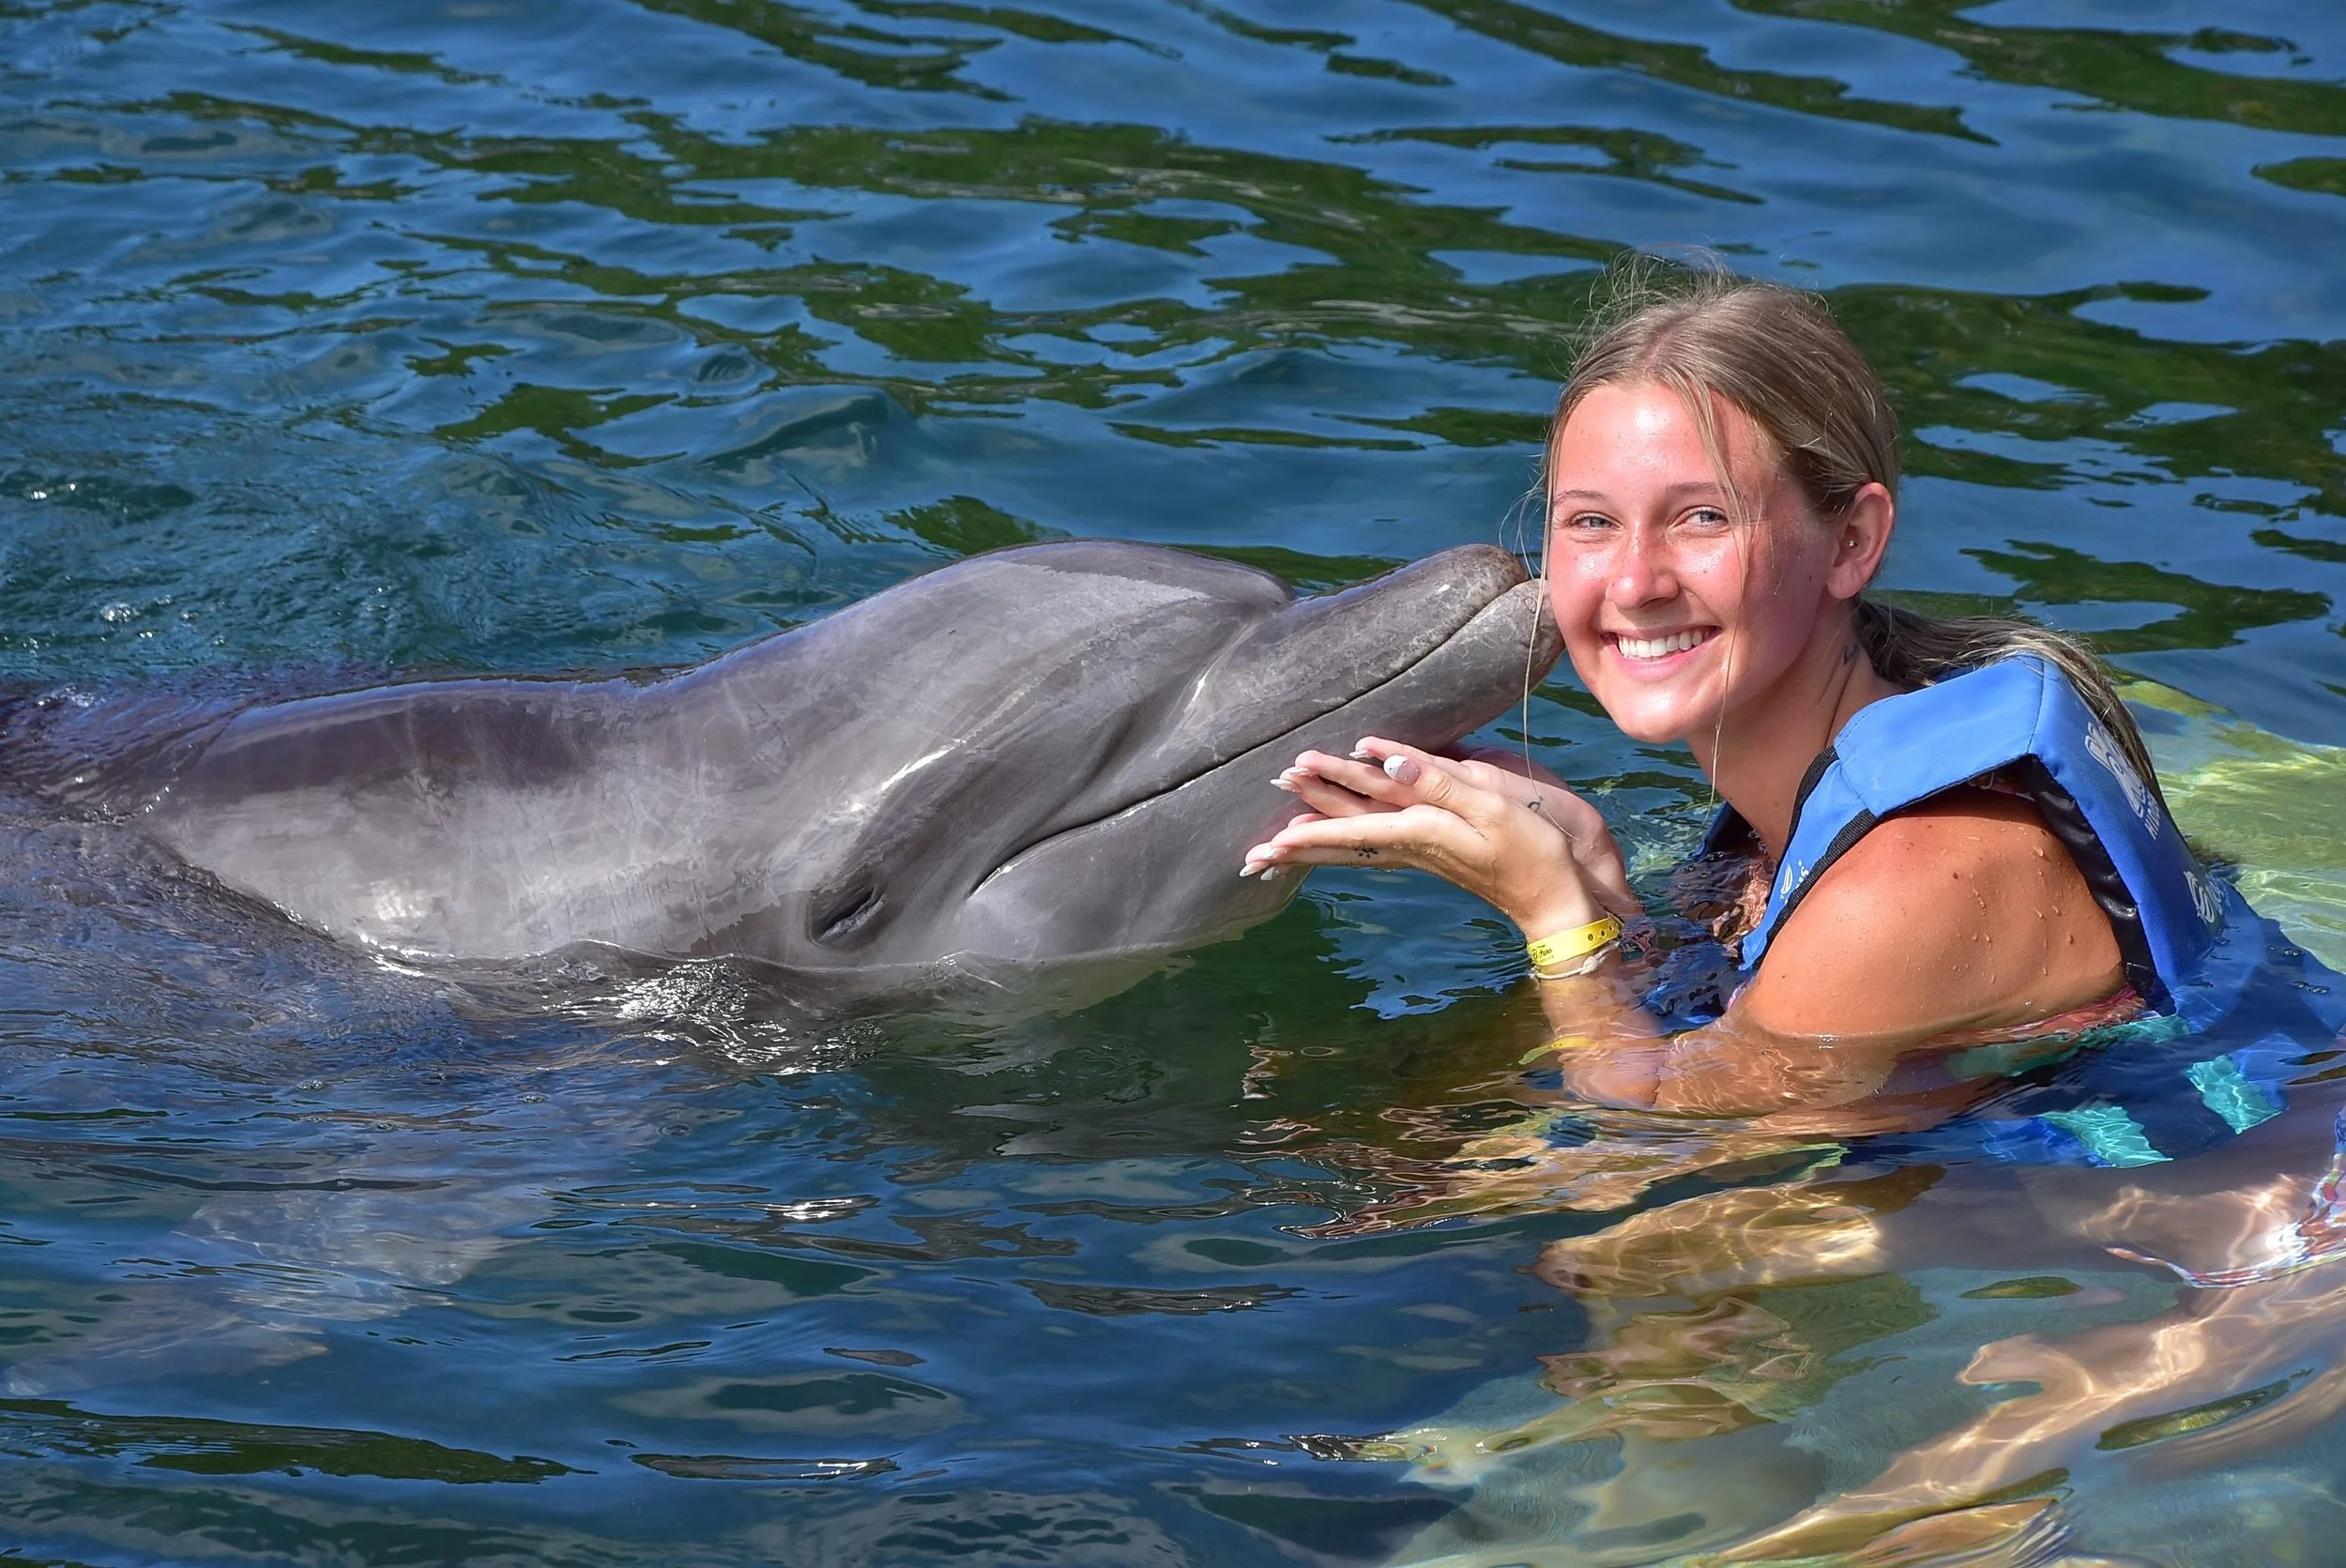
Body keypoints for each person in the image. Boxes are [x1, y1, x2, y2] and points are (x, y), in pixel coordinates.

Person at [1237, 267, 2228, 1126]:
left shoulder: (1913, 877)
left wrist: (1552, 916)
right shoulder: (1814, 797)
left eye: (1701, 517)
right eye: (1590, 522)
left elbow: (1664, 1156)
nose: (1632, 584)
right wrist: (1593, 876)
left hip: (2250, 1273)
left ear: (1852, 542)